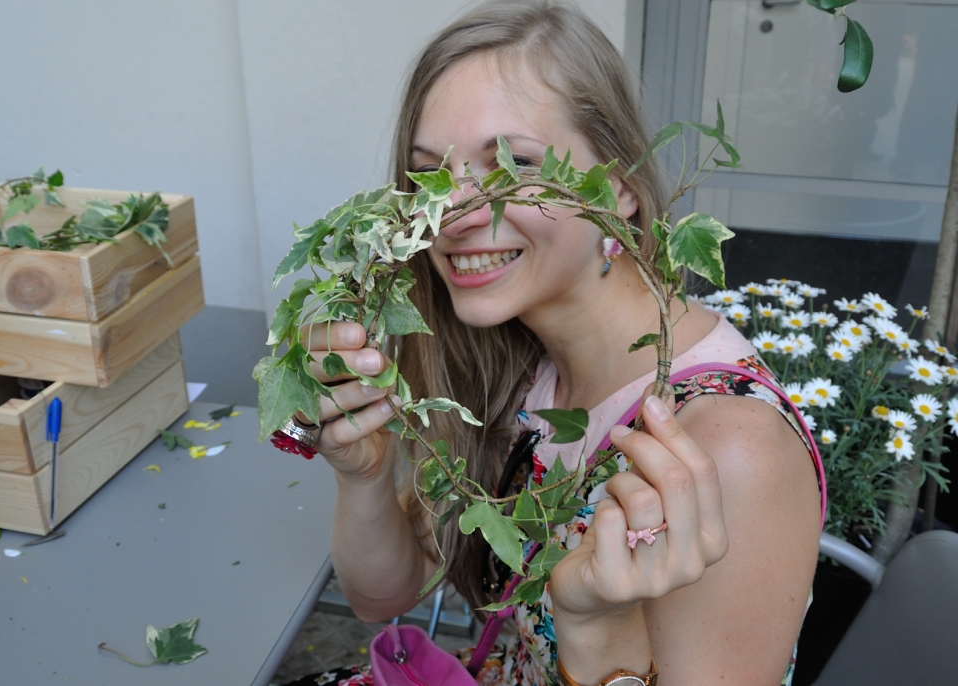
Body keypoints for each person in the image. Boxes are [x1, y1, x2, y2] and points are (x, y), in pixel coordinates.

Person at [281, 1, 823, 684]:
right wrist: (361, 477)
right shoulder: (510, 362)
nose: (454, 213)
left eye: (513, 165)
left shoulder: (731, 448)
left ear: (620, 186)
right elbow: (381, 596)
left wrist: (595, 635)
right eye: (430, 174)